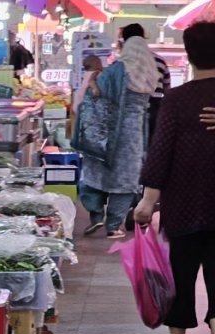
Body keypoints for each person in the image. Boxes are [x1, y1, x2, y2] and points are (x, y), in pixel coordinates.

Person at [134, 21, 215, 334]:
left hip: (183, 205)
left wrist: (147, 202)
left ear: (188, 54)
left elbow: (161, 152)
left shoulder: (178, 99)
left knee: (179, 276)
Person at [79, 31, 159, 238]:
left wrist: (94, 82)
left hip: (108, 128)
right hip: (134, 132)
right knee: (126, 178)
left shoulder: (116, 70)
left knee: (96, 170)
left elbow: (95, 93)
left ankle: (96, 216)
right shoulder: (152, 72)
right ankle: (113, 226)